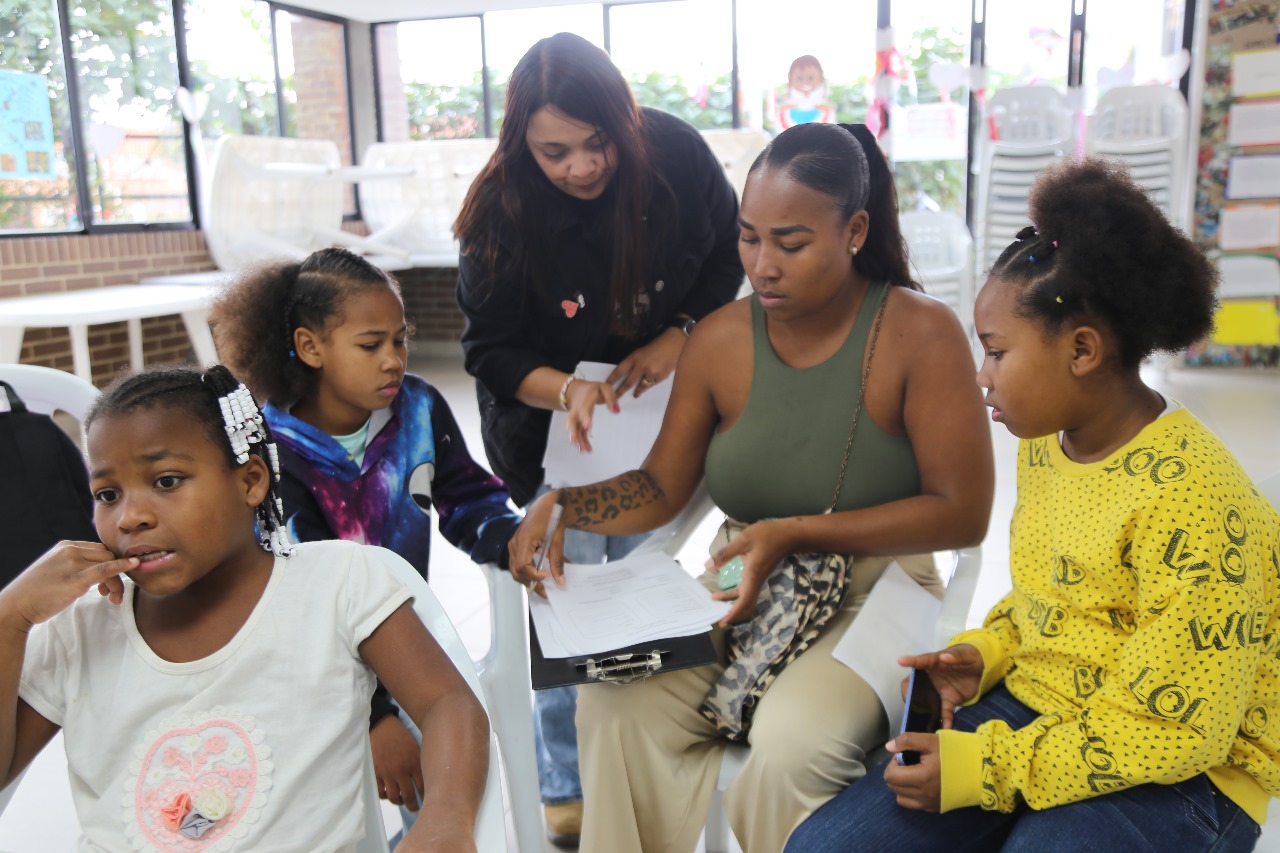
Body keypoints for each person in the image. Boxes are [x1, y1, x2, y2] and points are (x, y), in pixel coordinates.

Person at [507, 120, 995, 852]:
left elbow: (964, 513)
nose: (761, 264)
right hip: (742, 586)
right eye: (747, 237)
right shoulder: (720, 340)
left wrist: (796, 531)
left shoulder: (919, 334)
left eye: (790, 243)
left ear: (855, 229)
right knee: (613, 709)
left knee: (794, 745)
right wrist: (563, 505)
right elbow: (662, 486)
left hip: (880, 595)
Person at [785, 159, 1280, 853]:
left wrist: (989, 769)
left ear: (1081, 349)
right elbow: (1055, 598)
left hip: (1188, 770)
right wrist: (987, 651)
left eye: (996, 353)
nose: (981, 377)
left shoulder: (1192, 498)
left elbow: (1175, 729)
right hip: (1047, 709)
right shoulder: (1049, 441)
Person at [0, 364, 489, 852]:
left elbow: (447, 702)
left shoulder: (337, 584)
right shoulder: (81, 629)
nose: (130, 516)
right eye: (108, 494)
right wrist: (9, 617)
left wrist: (447, 817)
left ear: (251, 481)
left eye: (167, 481)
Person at [453, 32, 745, 843]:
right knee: (565, 587)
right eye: (555, 152)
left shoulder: (677, 158)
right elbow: (490, 350)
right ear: (522, 142)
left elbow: (727, 254)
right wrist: (569, 388)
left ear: (624, 121)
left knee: (638, 577)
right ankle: (564, 780)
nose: (580, 167)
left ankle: (632, 744)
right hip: (548, 427)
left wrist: (683, 331)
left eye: (596, 144)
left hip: (656, 414)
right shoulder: (499, 213)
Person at [210, 246, 519, 830]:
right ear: (310, 347)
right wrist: (376, 719)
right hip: (311, 671)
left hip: (403, 650)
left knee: (449, 793)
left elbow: (467, 497)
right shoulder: (268, 455)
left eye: (400, 341)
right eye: (371, 344)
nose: (393, 361)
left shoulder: (419, 409)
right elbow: (300, 599)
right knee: (331, 821)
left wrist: (506, 536)